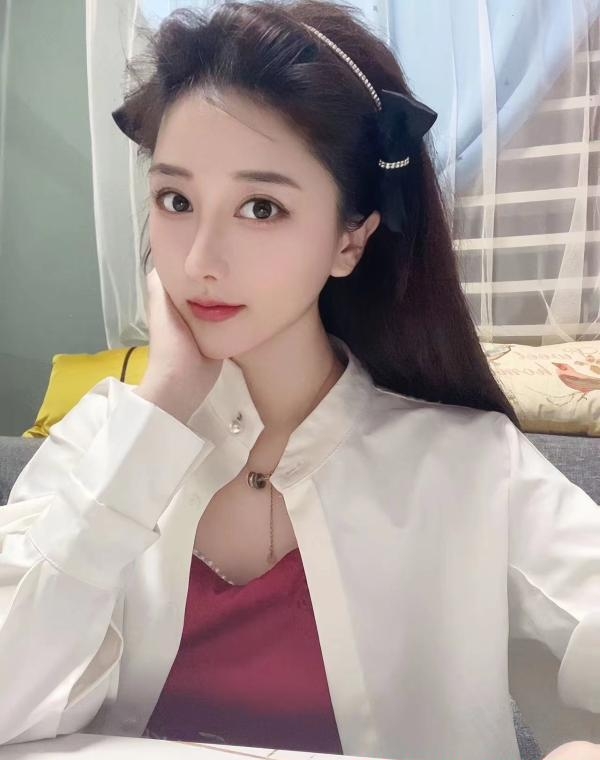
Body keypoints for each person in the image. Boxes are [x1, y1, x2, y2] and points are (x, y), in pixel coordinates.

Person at [0, 1, 599, 758]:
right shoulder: (104, 441)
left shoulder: (472, 467)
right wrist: (160, 415)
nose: (199, 260)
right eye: (175, 200)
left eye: (261, 207)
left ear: (350, 241)